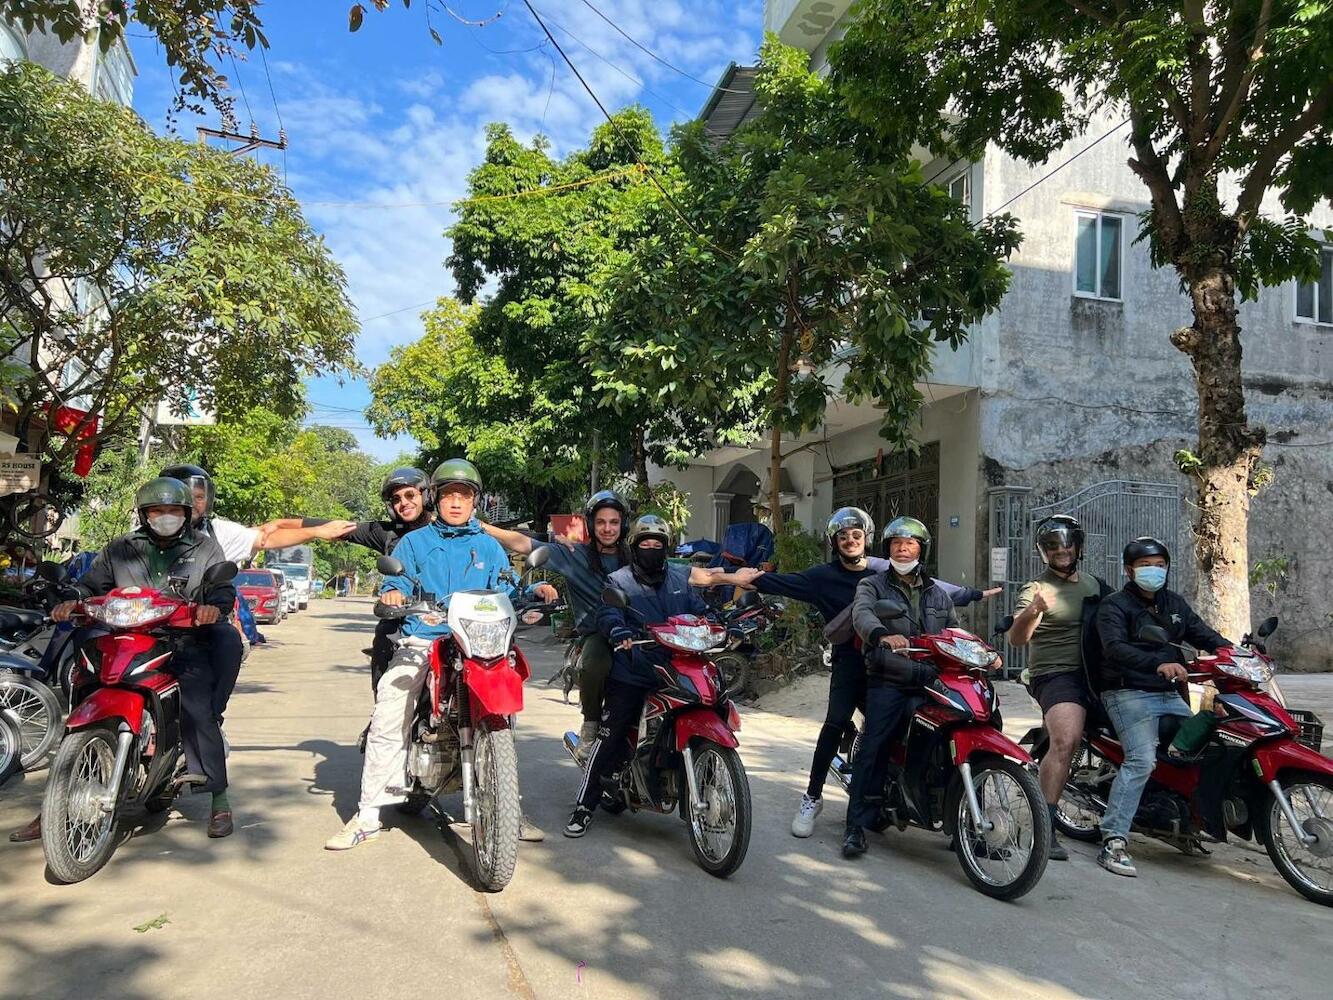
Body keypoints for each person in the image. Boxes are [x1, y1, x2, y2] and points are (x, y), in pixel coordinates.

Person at [324, 459, 555, 851]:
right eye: (448, 495)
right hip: (425, 638)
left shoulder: (488, 546)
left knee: (505, 718)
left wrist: (534, 593)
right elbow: (397, 577)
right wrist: (393, 592)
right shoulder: (415, 542)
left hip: (479, 643)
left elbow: (507, 586)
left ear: (475, 502)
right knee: (389, 709)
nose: (455, 502)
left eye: (463, 495)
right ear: (437, 498)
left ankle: (507, 810)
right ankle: (367, 815)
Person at [724, 508, 997, 838]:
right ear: (834, 542)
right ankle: (812, 797)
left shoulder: (886, 572)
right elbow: (782, 583)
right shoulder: (824, 577)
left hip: (896, 665)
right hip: (852, 664)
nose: (850, 541)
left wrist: (976, 596)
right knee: (836, 722)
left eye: (856, 535)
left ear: (867, 540)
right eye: (843, 536)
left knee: (918, 724)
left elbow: (940, 591)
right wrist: (732, 576)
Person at [485, 491, 740, 761]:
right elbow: (523, 543)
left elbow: (697, 576)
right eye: (601, 522)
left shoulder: (639, 554)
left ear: (624, 526)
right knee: (595, 663)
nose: (608, 528)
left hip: (641, 632)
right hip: (598, 633)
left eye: (614, 522)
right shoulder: (575, 555)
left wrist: (737, 577)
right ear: (592, 524)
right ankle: (591, 725)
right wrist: (483, 526)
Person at [55, 479, 237, 837]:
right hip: (124, 638)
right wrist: (72, 597)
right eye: (157, 510)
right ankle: (59, 794)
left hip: (180, 639)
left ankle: (219, 798)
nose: (165, 516)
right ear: (144, 514)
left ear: (186, 514)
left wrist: (213, 608)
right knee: (85, 685)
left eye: (173, 510)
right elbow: (91, 584)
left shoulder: (205, 548)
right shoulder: (122, 547)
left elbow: (221, 588)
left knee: (197, 708)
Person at [564, 515, 708, 839]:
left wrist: (722, 622)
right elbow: (609, 611)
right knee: (611, 733)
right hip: (634, 667)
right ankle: (584, 806)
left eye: (658, 544)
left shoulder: (681, 578)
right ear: (634, 546)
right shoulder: (619, 581)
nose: (652, 549)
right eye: (646, 544)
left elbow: (701, 610)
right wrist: (618, 630)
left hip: (676, 667)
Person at [1093, 536, 1228, 877]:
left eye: (1159, 565)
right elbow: (1115, 649)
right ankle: (1113, 840)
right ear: (1129, 570)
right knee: (1143, 759)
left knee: (1200, 750)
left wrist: (1236, 655)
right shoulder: (1115, 606)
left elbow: (1204, 635)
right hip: (1127, 693)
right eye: (1145, 566)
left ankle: (1179, 823)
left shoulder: (1174, 603)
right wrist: (1158, 665)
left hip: (1169, 693)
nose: (1154, 571)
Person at [844, 516, 960, 858]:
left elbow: (955, 631)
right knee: (875, 743)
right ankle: (855, 825)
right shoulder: (872, 585)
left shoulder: (938, 594)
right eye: (896, 543)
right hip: (890, 677)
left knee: (957, 733)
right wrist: (881, 634)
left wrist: (984, 653)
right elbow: (863, 615)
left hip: (930, 679)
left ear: (921, 549)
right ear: (888, 549)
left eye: (910, 543)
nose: (903, 548)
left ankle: (960, 817)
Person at [265, 466, 436, 692]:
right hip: (404, 617)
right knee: (385, 636)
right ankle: (381, 717)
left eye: (410, 495)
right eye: (396, 499)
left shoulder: (447, 531)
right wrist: (279, 524)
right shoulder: (387, 534)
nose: (403, 503)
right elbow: (335, 527)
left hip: (444, 616)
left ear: (426, 495)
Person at [1007, 514, 1111, 861]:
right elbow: (1018, 639)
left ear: (1078, 545)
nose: (1061, 550)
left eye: (1067, 543)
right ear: (1044, 551)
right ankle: (1043, 826)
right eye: (1053, 545)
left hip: (1095, 673)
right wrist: (1033, 611)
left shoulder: (1095, 585)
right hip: (1054, 674)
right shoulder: (1035, 589)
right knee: (1066, 740)